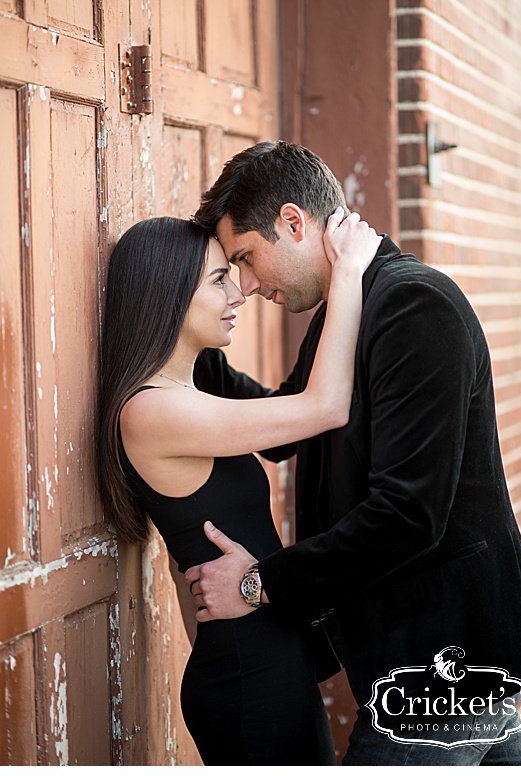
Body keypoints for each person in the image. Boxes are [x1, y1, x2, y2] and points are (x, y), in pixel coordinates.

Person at [185, 140, 521, 764]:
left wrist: (256, 583)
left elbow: (408, 515)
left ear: (293, 223)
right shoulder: (347, 310)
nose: (246, 284)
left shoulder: (413, 305)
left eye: (246, 257)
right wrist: (183, 347)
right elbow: (288, 423)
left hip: (439, 667)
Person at [96, 209, 380, 764]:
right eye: (218, 280)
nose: (239, 293)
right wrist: (346, 274)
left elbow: (191, 572)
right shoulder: (151, 410)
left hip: (264, 664)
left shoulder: (189, 394)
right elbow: (323, 406)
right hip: (251, 680)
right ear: (168, 295)